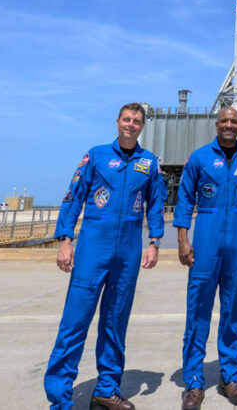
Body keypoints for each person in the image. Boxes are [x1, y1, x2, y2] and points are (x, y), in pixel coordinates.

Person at [44, 103, 166, 410]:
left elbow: (155, 204)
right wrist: (65, 239)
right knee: (75, 322)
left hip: (127, 251)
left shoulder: (149, 162)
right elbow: (73, 196)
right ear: (118, 122)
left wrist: (154, 242)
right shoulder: (96, 155)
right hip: (93, 248)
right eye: (127, 119)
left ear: (142, 126)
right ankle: (60, 398)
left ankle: (107, 389)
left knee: (115, 322)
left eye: (137, 121)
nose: (131, 124)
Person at [174, 107, 237, 410]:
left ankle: (230, 377)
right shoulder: (199, 158)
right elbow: (185, 198)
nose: (229, 125)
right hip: (206, 239)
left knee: (233, 313)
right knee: (198, 311)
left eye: (234, 122)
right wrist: (182, 238)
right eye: (224, 121)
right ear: (217, 125)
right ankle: (193, 382)